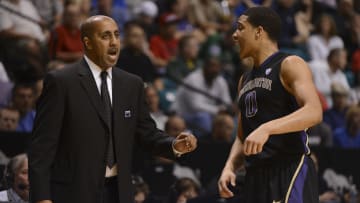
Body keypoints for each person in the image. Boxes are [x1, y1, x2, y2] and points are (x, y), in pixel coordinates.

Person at [28, 15, 197, 203]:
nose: (114, 42)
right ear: (88, 43)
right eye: (105, 36)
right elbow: (42, 148)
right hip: (72, 192)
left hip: (118, 191)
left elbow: (146, 133)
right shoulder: (62, 82)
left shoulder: (131, 84)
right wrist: (41, 198)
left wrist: (173, 144)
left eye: (117, 35)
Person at [218, 7, 322, 203]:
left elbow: (314, 111)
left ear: (259, 31)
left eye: (240, 28)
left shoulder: (289, 64)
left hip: (289, 168)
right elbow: (242, 137)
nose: (234, 35)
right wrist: (229, 166)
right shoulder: (244, 80)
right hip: (256, 176)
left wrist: (267, 128)